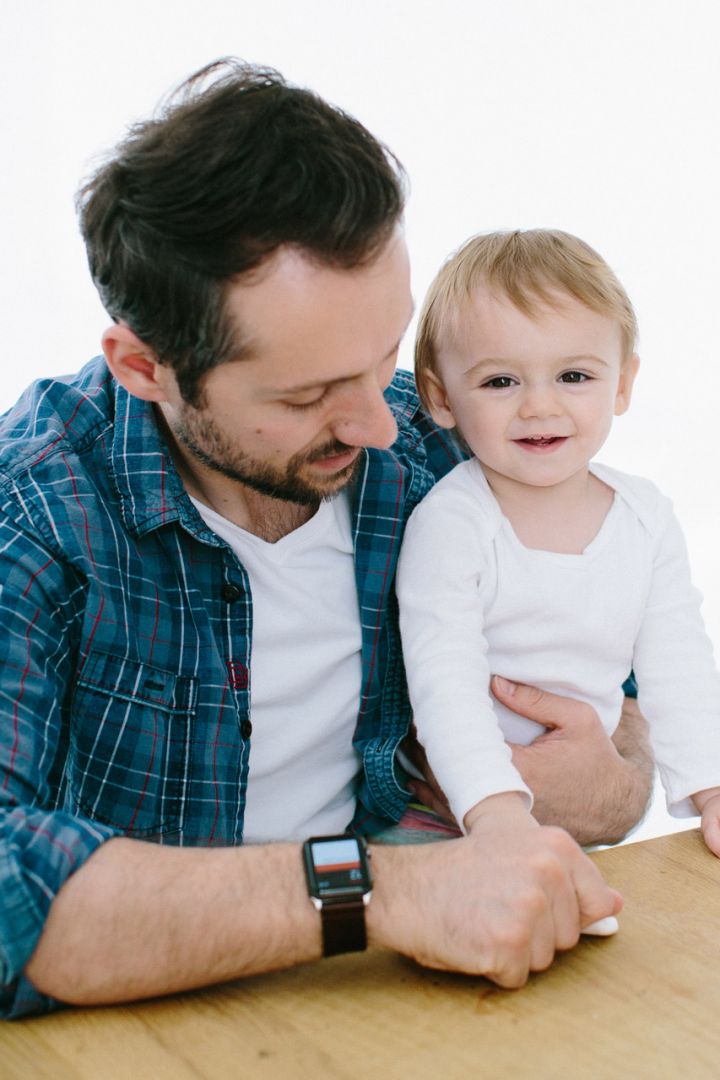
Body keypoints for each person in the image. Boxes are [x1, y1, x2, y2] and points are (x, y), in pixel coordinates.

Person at [0, 62, 651, 1020]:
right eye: (307, 396)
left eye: (386, 354)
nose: (380, 424)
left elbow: (620, 719)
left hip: (388, 1009)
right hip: (136, 1034)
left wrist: (614, 784)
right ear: (146, 367)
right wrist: (379, 888)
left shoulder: (435, 445)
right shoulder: (38, 514)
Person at [396, 229, 720, 853]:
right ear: (441, 397)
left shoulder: (644, 517)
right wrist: (496, 811)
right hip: (449, 817)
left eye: (573, 375)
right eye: (499, 382)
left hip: (577, 821)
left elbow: (678, 670)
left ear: (622, 385)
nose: (540, 407)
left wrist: (711, 790)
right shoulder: (453, 522)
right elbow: (445, 685)